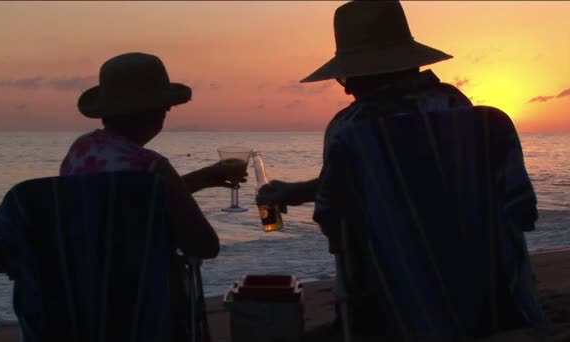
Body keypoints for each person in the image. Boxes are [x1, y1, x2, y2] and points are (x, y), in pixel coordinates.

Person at [258, 1, 544, 340]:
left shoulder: (350, 130)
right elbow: (523, 215)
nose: (347, 88)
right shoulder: (471, 115)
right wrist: (299, 191)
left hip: (396, 312)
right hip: (496, 302)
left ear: (360, 74)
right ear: (411, 62)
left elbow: (337, 229)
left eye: (346, 77)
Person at [62, 52, 246, 340]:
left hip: (84, 300)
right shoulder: (153, 167)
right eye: (167, 107)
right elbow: (204, 245)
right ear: (156, 112)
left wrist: (200, 179)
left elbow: (124, 202)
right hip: (144, 307)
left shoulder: (80, 151)